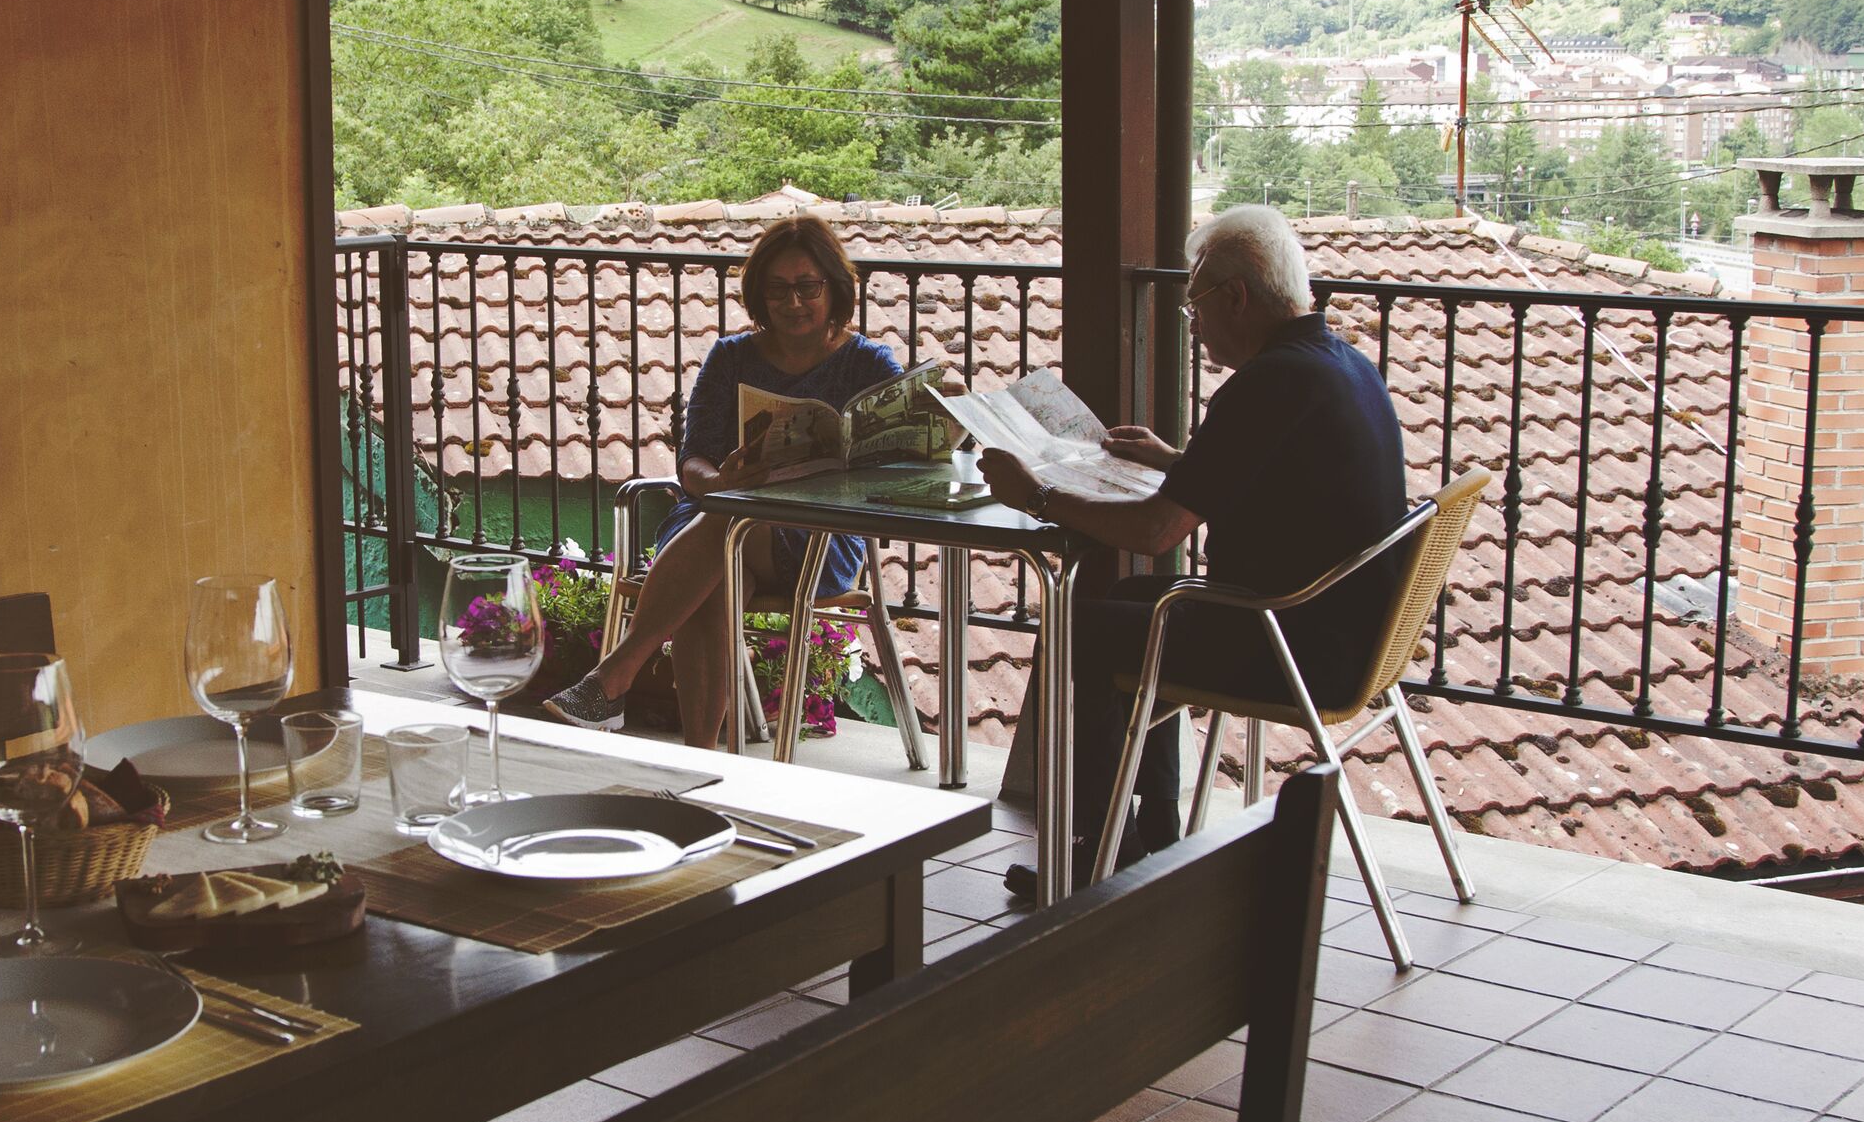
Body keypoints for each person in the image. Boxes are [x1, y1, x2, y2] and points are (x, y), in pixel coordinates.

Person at [979, 203, 1415, 894]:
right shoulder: (1340, 362)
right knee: (1124, 602)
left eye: (1196, 306)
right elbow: (1276, 478)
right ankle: (1150, 824)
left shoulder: (1268, 383)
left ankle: (1099, 851)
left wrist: (1035, 495)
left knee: (1080, 629)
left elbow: (1155, 534)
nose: (1196, 323)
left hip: (1287, 642)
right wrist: (1177, 461)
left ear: (1235, 298)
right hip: (1347, 631)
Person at [546, 213, 901, 746]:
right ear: (760, 294)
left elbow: (896, 456)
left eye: (808, 286)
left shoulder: (869, 364)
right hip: (719, 515)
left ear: (834, 287)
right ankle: (704, 757)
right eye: (778, 289)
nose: (794, 301)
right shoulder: (732, 356)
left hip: (819, 532)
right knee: (719, 562)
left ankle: (614, 679)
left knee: (725, 535)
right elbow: (693, 461)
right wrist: (717, 482)